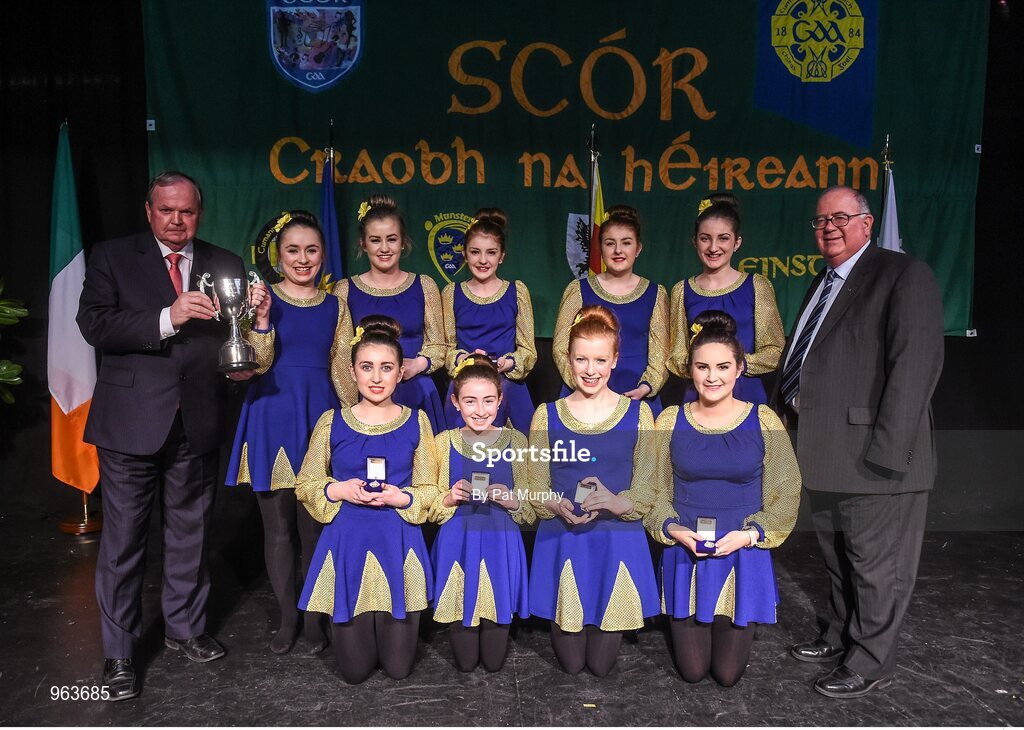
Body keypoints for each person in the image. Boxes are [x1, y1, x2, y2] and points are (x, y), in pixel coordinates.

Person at [77, 171, 251, 701]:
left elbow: (234, 338)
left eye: (188, 212)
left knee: (192, 534)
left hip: (198, 416)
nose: (177, 221)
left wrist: (253, 330)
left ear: (200, 212)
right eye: (167, 210)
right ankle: (120, 654)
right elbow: (95, 325)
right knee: (124, 542)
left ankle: (185, 629)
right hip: (130, 422)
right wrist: (166, 318)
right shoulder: (111, 256)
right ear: (149, 210)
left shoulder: (224, 262)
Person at [773, 186, 944, 698]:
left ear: (867, 224)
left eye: (841, 217)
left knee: (876, 568)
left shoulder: (902, 275)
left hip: (876, 459)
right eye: (821, 220)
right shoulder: (822, 282)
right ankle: (840, 635)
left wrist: (888, 457)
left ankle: (871, 661)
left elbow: (915, 368)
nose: (829, 226)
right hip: (824, 452)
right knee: (839, 560)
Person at [225, 212, 357, 655]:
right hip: (272, 413)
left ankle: (314, 619)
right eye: (293, 250)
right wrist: (261, 321)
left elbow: (342, 366)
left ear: (323, 255)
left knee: (316, 527)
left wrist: (352, 420)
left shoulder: (336, 305)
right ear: (277, 256)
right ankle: (287, 618)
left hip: (319, 417)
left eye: (312, 250)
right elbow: (254, 363)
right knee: (277, 528)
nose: (303, 259)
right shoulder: (261, 299)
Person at [646, 310, 801, 686]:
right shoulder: (668, 420)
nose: (712, 376)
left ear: (739, 369)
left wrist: (750, 535)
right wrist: (674, 530)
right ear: (690, 370)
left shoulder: (764, 419)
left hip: (742, 553)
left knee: (727, 675)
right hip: (686, 552)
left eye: (722, 366)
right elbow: (650, 489)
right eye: (702, 367)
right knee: (694, 672)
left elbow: (787, 490)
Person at [294, 316, 437, 684]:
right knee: (355, 673)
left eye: (386, 368)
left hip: (398, 545)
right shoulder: (332, 421)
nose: (376, 377)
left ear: (400, 372)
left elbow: (430, 491)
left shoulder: (416, 421)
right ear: (353, 371)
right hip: (347, 546)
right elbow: (306, 483)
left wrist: (401, 497)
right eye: (367, 367)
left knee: (398, 670)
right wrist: (338, 489)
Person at [528, 305, 660, 676]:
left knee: (601, 668)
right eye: (581, 359)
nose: (590, 369)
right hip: (564, 539)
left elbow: (649, 485)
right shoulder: (546, 414)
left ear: (615, 360)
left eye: (600, 359)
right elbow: (534, 485)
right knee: (571, 667)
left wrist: (620, 502)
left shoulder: (639, 414)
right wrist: (554, 504)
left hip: (616, 540)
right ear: (567, 360)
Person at [429, 357, 533, 672]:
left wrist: (512, 500)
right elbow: (428, 505)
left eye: (488, 400)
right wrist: (448, 498)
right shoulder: (441, 443)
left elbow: (531, 509)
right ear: (456, 403)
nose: (480, 409)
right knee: (465, 662)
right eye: (470, 401)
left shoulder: (517, 442)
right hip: (457, 546)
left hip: (501, 546)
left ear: (500, 401)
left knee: (493, 662)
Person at [332, 194, 447, 431]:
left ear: (403, 242)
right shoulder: (345, 290)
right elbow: (342, 354)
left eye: (392, 239)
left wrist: (418, 364)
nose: (384, 248)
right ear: (363, 244)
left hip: (416, 392)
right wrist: (351, 406)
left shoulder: (424, 285)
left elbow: (439, 345)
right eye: (375, 240)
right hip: (367, 397)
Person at [667, 195, 785, 406]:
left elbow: (775, 352)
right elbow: (676, 356)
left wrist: (733, 365)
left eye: (723, 238)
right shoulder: (681, 291)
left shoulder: (757, 286)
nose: (714, 247)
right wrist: (704, 368)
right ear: (694, 241)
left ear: (737, 242)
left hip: (747, 397)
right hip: (699, 397)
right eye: (705, 238)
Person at [552, 205, 669, 417]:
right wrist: (584, 382)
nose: (618, 251)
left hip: (636, 396)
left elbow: (660, 355)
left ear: (638, 248)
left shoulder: (655, 294)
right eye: (610, 243)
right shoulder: (578, 289)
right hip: (584, 394)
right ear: (600, 248)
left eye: (626, 243)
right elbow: (560, 347)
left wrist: (646, 387)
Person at [441, 208, 537, 432]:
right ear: (464, 254)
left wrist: (506, 363)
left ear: (502, 256)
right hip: (467, 387)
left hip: (508, 388)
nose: (483, 260)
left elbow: (528, 351)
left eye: (491, 253)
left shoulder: (517, 292)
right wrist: (466, 358)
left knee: (515, 458)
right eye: (475, 252)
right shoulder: (451, 293)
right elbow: (446, 349)